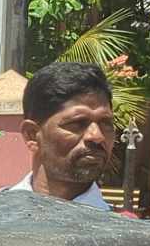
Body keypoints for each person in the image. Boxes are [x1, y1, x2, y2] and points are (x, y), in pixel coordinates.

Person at [8, 61, 119, 210]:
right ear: (32, 135)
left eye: (105, 123)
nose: (97, 136)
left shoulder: (128, 231)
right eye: (78, 123)